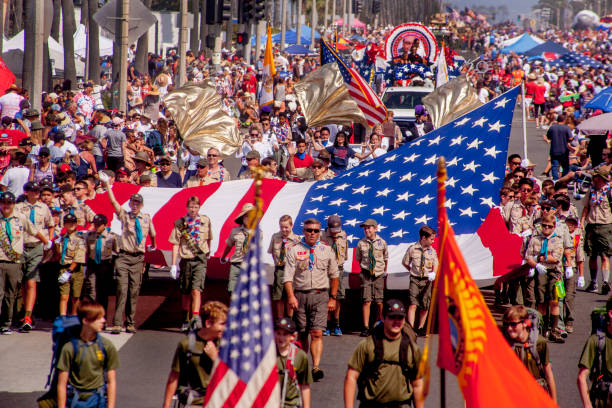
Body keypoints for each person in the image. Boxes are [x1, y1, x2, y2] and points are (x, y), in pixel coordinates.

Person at [283, 218, 339, 381]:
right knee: (302, 333)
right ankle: (302, 365)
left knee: (317, 333)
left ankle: (315, 367)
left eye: (315, 230)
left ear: (319, 232)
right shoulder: (294, 250)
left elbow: (334, 275)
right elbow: (288, 277)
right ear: (303, 231)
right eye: (309, 230)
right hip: (300, 295)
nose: (312, 233)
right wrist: (291, 296)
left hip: (321, 295)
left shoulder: (326, 250)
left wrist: (333, 298)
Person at [101, 173, 156, 334]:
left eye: (137, 203)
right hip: (124, 257)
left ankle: (130, 322)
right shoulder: (125, 216)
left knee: (134, 291)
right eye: (133, 202)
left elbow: (153, 234)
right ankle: (118, 323)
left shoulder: (146, 218)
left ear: (142, 204)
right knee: (121, 289)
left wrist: (153, 245)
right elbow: (113, 202)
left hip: (138, 258)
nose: (135, 205)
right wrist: (106, 186)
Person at [343, 299, 424, 408]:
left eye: (400, 317)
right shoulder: (367, 345)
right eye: (392, 317)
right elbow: (351, 377)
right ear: (382, 318)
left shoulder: (412, 349)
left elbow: (418, 384)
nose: (396, 321)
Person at [0, 191, 50, 333]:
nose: (6, 205)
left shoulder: (20, 218)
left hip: (15, 261)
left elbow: (33, 231)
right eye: (3, 202)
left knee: (11, 294)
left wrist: (47, 242)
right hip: (0, 259)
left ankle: (6, 324)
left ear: (14, 204)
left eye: (9, 203)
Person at [162, 301, 227, 408]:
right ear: (208, 323)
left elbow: (232, 376)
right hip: (193, 402)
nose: (225, 328)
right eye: (222, 324)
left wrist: (215, 357)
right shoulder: (187, 345)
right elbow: (174, 376)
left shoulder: (225, 345)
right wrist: (166, 405)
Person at [55, 300, 119, 408]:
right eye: (98, 318)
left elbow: (111, 382)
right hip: (74, 400)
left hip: (98, 399)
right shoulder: (69, 348)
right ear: (85, 320)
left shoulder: (107, 346)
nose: (103, 321)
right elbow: (61, 385)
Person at [169, 196, 213, 332]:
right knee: (186, 291)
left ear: (199, 207)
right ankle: (185, 319)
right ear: (187, 208)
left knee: (196, 290)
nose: (193, 210)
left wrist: (207, 252)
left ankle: (194, 318)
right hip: (186, 260)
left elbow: (209, 238)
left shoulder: (205, 221)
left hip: (199, 260)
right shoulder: (180, 223)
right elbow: (176, 244)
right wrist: (174, 264)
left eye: (196, 207)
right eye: (191, 207)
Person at [15, 181, 54, 331]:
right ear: (27, 192)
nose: (37, 193)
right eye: (33, 190)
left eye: (38, 191)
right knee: (22, 282)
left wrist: (48, 241)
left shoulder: (43, 208)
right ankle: (23, 310)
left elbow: (50, 224)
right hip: (21, 246)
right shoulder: (18, 208)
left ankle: (28, 316)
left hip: (36, 246)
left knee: (32, 282)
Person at [524, 213, 565, 343]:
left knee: (554, 301)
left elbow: (556, 258)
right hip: (540, 272)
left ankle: (554, 330)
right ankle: (542, 329)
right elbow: (528, 257)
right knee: (541, 301)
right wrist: (536, 265)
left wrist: (542, 257)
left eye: (549, 226)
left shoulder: (558, 239)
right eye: (544, 226)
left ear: (554, 227)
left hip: (554, 272)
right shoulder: (535, 239)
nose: (546, 228)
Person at [502, 305, 557, 400]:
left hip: (536, 394)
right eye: (506, 324)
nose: (509, 328)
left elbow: (548, 372)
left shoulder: (539, 343)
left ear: (524, 323)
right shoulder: (504, 343)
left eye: (513, 324)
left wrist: (554, 402)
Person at [580, 169, 612, 295]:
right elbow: (586, 207)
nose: (593, 179)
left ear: (601, 178)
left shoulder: (609, 192)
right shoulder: (591, 191)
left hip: (605, 226)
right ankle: (593, 282)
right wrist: (582, 222)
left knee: (605, 255)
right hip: (591, 225)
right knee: (592, 255)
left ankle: (605, 282)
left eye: (596, 177)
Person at [355, 219, 388, 337]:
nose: (367, 230)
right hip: (366, 274)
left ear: (375, 229)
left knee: (379, 301)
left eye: (369, 228)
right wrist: (365, 270)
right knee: (366, 300)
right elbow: (358, 259)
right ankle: (365, 327)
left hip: (378, 274)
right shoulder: (361, 243)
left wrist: (383, 272)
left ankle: (379, 323)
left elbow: (385, 259)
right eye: (365, 228)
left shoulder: (382, 243)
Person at [402, 226, 438, 335]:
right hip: (415, 279)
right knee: (413, 304)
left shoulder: (432, 251)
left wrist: (433, 273)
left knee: (425, 305)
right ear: (423, 238)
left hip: (427, 280)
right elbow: (405, 262)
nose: (433, 241)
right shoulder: (412, 248)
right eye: (431, 239)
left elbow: (436, 263)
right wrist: (411, 270)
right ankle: (411, 328)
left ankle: (421, 328)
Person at [578, 296, 612, 408]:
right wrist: (588, 405)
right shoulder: (596, 341)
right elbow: (581, 377)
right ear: (611, 314)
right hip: (603, 400)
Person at [84, 214, 117, 317]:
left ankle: (102, 316)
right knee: (92, 291)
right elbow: (87, 251)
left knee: (103, 293)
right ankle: (94, 315)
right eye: (95, 224)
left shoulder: (111, 237)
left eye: (99, 225)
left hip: (105, 266)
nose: (96, 227)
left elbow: (116, 251)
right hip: (93, 265)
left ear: (105, 225)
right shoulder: (90, 236)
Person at [275, 317, 312, 408]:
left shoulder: (300, 356)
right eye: (278, 333)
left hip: (291, 404)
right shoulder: (268, 355)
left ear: (293, 336)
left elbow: (305, 386)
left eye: (285, 334)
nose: (281, 338)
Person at [320, 215, 348, 337]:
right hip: (326, 270)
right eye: (333, 230)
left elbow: (345, 254)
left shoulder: (343, 234)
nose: (335, 233)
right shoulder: (321, 236)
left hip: (339, 269)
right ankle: (326, 324)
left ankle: (336, 324)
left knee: (338, 297)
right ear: (328, 227)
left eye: (337, 230)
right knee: (326, 296)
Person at [268, 214, 300, 319]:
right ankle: (280, 321)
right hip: (280, 270)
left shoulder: (297, 240)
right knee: (279, 297)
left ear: (291, 226)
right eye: (281, 227)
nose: (284, 229)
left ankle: (289, 320)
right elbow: (273, 252)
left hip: (291, 271)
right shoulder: (275, 237)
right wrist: (278, 264)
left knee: (289, 296)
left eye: (286, 227)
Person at [56, 213, 87, 316]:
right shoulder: (62, 238)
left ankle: (74, 318)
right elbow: (59, 255)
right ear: (64, 224)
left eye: (73, 222)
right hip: (63, 268)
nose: (71, 225)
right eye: (68, 223)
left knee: (75, 297)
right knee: (63, 296)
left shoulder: (80, 238)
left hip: (75, 270)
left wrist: (69, 271)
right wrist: (56, 244)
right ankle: (62, 318)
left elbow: (79, 257)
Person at [220, 203, 254, 294]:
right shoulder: (235, 231)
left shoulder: (258, 233)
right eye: (246, 216)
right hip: (236, 264)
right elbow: (229, 245)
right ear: (242, 218)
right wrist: (223, 257)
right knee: (233, 291)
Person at [564, 217, 584, 333]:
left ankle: (569, 321)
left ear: (575, 227)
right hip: (560, 267)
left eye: (571, 225)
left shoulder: (576, 238)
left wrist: (581, 275)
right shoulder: (560, 235)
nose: (569, 227)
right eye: (567, 224)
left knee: (569, 296)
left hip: (571, 268)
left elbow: (580, 257)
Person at [544, 114, 572, 180]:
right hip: (563, 150)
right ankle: (563, 179)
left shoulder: (552, 127)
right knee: (565, 166)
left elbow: (548, 137)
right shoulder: (566, 128)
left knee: (554, 166)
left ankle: (555, 180)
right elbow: (570, 138)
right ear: (564, 120)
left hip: (554, 150)